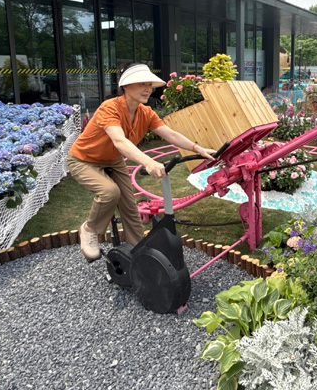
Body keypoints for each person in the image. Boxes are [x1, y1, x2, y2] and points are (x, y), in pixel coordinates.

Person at [67, 64, 215, 261]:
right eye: (142, 84)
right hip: (84, 159)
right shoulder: (109, 108)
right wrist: (148, 162)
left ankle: (139, 255)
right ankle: (89, 229)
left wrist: (198, 148)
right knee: (109, 192)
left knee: (130, 208)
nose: (148, 89)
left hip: (113, 160)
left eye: (150, 85)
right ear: (126, 86)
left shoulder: (145, 112)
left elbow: (170, 134)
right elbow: (119, 141)